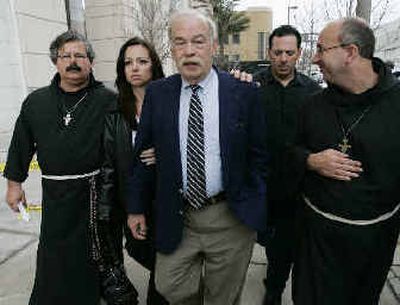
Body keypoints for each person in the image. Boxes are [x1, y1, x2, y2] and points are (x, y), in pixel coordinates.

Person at [126, 9, 268, 305]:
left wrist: (254, 202)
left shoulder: (243, 92)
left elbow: (260, 155)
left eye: (198, 41)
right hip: (179, 215)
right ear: (172, 48)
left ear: (214, 47)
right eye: (180, 42)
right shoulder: (158, 93)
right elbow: (142, 156)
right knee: (169, 284)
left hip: (230, 218)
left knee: (223, 296)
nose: (189, 51)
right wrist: (136, 208)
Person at [289, 17, 400, 305]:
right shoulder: (312, 105)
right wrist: (311, 160)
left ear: (351, 53)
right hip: (316, 240)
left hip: (374, 240)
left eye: (321, 49)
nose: (314, 58)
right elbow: (289, 151)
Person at [4, 30, 116, 305]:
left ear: (90, 61)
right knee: (54, 255)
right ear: (56, 61)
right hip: (54, 195)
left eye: (80, 55)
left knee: (95, 255)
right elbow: (21, 145)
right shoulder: (36, 102)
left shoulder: (108, 100)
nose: (73, 61)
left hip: (95, 195)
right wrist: (14, 185)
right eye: (66, 56)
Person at [251, 25, 321, 305]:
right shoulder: (252, 87)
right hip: (261, 183)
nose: (283, 59)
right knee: (266, 239)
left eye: (289, 53)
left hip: (297, 185)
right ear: (269, 52)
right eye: (277, 52)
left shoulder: (313, 92)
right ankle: (274, 276)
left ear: (299, 54)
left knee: (286, 245)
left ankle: (274, 289)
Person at [96, 37, 168, 305]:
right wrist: (105, 212)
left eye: (142, 61)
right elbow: (108, 167)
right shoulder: (114, 113)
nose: (134, 68)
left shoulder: (170, 104)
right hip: (133, 205)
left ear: (154, 66)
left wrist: (166, 154)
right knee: (142, 253)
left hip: (167, 202)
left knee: (165, 268)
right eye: (128, 62)